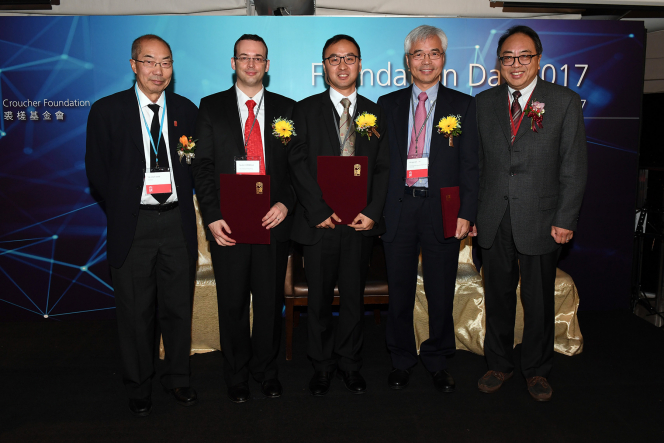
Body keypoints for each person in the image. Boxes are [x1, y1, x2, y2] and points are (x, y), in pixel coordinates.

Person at [85, 34, 199, 416]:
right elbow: (97, 173)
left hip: (176, 224)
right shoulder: (107, 110)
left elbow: (195, 166)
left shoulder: (186, 110)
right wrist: (127, 202)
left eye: (166, 62)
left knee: (178, 308)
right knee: (135, 312)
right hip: (133, 225)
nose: (158, 70)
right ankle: (138, 384)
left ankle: (179, 379)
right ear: (134, 66)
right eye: (149, 61)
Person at [475, 25, 587, 401]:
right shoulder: (484, 103)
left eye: (524, 56)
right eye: (507, 57)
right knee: (498, 297)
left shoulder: (564, 101)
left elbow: (573, 168)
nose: (516, 64)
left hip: (542, 219)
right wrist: (473, 214)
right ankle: (499, 364)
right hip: (493, 218)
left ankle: (537, 371)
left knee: (539, 301)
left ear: (538, 59)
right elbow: (476, 165)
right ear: (499, 63)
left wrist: (565, 219)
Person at [191, 34, 295, 403]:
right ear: (233, 62)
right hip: (229, 226)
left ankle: (266, 372)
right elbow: (201, 167)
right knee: (232, 303)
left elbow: (299, 170)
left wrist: (285, 203)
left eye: (259, 58)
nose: (251, 64)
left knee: (269, 304)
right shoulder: (211, 107)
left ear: (268, 65)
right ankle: (235, 375)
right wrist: (212, 217)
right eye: (244, 57)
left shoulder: (288, 109)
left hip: (272, 223)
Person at [377, 25, 479, 393]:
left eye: (433, 53)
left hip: (443, 211)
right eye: (418, 54)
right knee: (400, 291)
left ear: (443, 59)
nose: (426, 61)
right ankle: (401, 359)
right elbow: (379, 164)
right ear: (408, 61)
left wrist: (468, 212)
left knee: (440, 292)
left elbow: (471, 165)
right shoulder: (386, 105)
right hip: (399, 209)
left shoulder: (463, 105)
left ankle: (437, 360)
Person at [288, 34, 389, 396]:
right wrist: (318, 210)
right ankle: (322, 365)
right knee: (317, 301)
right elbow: (297, 164)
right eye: (334, 59)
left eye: (350, 58)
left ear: (360, 65)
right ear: (323, 66)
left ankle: (349, 363)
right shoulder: (304, 110)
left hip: (360, 223)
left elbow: (382, 168)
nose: (343, 65)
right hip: (320, 224)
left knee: (352, 298)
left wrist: (373, 212)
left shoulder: (375, 112)